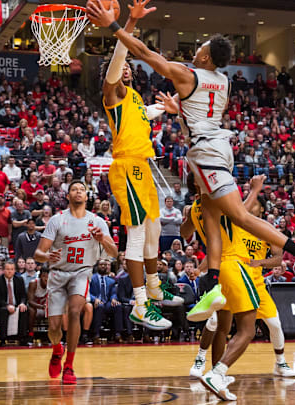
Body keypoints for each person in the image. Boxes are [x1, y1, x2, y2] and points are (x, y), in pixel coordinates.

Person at [88, 1, 295, 329]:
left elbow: (143, 53)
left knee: (235, 215)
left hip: (204, 156)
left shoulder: (187, 75)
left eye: (199, 48)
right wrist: (176, 110)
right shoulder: (221, 82)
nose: (194, 51)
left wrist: (117, 25)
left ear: (206, 57)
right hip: (200, 154)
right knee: (208, 217)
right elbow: (191, 109)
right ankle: (211, 288)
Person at [99, 0, 182, 333]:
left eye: (131, 67)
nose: (127, 69)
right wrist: (128, 25)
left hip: (143, 168)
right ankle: (139, 305)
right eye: (123, 68)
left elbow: (149, 113)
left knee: (154, 232)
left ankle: (153, 287)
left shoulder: (134, 100)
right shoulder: (113, 95)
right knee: (135, 237)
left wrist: (171, 108)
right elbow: (116, 64)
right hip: (126, 167)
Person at [180, 174, 293, 400]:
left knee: (223, 326)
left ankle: (216, 378)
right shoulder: (217, 198)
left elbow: (184, 233)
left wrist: (192, 216)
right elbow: (240, 215)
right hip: (234, 265)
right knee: (247, 330)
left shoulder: (195, 207)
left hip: (217, 269)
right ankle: (218, 373)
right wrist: (255, 189)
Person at [34, 180, 118, 385]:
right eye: (74, 189)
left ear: (87, 196)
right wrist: (47, 257)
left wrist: (103, 240)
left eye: (82, 189)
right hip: (57, 274)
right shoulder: (57, 220)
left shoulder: (97, 221)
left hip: (81, 272)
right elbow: (38, 253)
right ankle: (57, 349)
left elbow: (114, 253)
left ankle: (69, 365)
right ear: (68, 195)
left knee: (74, 311)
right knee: (53, 328)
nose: (78, 192)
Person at [0, 261, 28, 346]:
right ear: (3, 270)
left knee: (24, 310)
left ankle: (22, 338)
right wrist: (7, 305)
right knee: (3, 311)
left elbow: (23, 295)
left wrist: (22, 303)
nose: (10, 271)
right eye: (7, 269)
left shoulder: (19, 279)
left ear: (15, 270)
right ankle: (3, 339)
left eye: (12, 269)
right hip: (3, 305)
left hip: (17, 304)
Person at [89, 258, 123, 344]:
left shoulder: (111, 280)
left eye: (105, 265)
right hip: (95, 302)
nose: (103, 266)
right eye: (101, 265)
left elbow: (113, 293)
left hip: (107, 302)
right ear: (97, 266)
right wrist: (94, 299)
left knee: (117, 306)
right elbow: (87, 292)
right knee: (99, 306)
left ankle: (117, 334)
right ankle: (96, 335)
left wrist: (113, 299)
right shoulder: (91, 278)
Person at [27, 267, 49, 343]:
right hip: (34, 306)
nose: (46, 279)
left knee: (54, 310)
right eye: (44, 276)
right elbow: (30, 301)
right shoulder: (33, 283)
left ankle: (50, 335)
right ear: (40, 276)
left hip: (45, 307)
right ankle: (30, 334)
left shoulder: (52, 285)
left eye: (48, 277)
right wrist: (42, 307)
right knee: (32, 311)